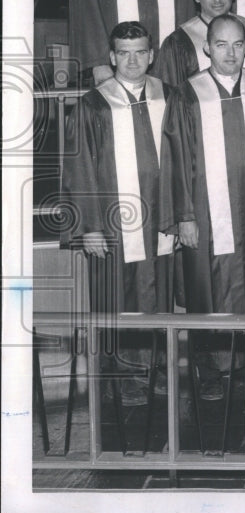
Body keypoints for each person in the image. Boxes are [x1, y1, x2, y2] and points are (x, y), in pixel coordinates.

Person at [159, 14, 245, 400]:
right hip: (205, 211)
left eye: (237, 44)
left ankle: (244, 368)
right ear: (207, 47)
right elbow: (176, 158)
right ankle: (209, 370)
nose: (230, 52)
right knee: (204, 288)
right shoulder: (188, 93)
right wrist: (185, 216)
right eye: (221, 44)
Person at [63, 21, 175, 406]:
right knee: (116, 295)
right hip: (113, 222)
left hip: (160, 217)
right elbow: (79, 168)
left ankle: (155, 367)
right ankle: (123, 374)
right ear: (111, 57)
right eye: (124, 53)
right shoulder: (93, 104)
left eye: (140, 52)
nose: (132, 60)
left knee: (158, 292)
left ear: (151, 55)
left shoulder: (170, 97)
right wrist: (90, 227)